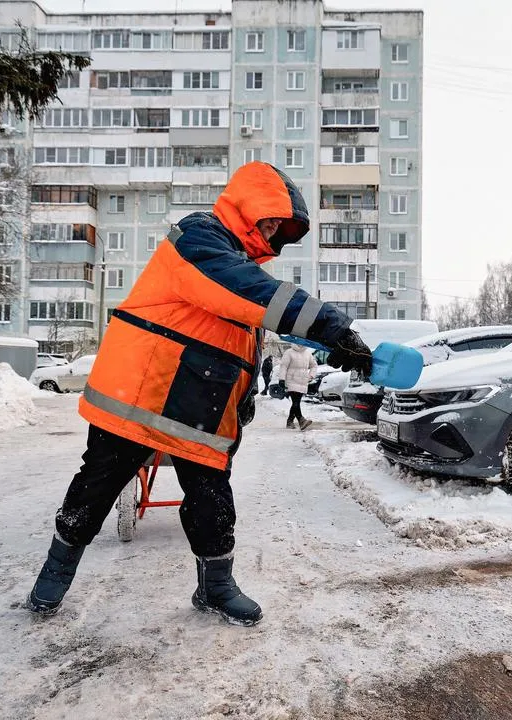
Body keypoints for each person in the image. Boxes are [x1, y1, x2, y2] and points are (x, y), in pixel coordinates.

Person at [25, 162, 373, 626]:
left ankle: (216, 586)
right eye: (270, 219)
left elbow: (237, 347)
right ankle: (54, 574)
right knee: (98, 484)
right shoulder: (198, 239)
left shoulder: (238, 263)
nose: (272, 231)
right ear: (249, 208)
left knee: (211, 499)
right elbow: (251, 293)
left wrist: (244, 400)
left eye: (280, 227)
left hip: (196, 406)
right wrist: (334, 327)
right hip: (142, 393)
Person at [276, 344, 317, 430]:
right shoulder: (289, 352)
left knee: (296, 402)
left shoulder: (308, 353)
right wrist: (281, 379)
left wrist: (311, 376)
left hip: (303, 381)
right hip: (291, 380)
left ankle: (290, 421)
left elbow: (314, 365)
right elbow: (283, 366)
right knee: (296, 401)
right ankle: (301, 420)